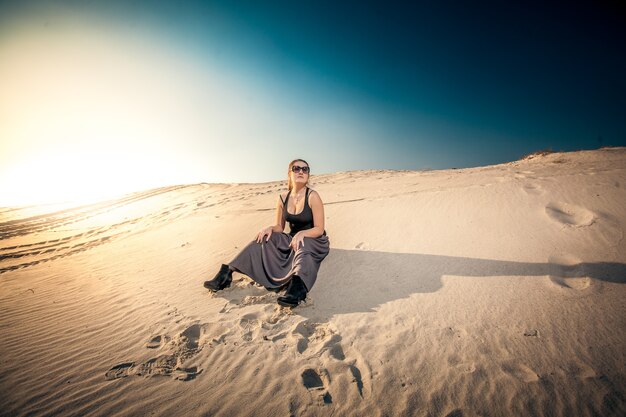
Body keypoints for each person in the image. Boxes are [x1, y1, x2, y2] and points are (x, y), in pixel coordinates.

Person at [204, 158, 330, 308]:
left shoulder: (313, 196)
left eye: (305, 169)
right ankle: (226, 274)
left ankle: (298, 289)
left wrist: (302, 234)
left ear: (308, 174)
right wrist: (270, 228)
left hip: (314, 239)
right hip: (292, 238)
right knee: (264, 239)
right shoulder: (283, 198)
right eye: (296, 168)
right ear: (290, 173)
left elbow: (319, 229)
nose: (301, 172)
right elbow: (279, 227)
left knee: (303, 245)